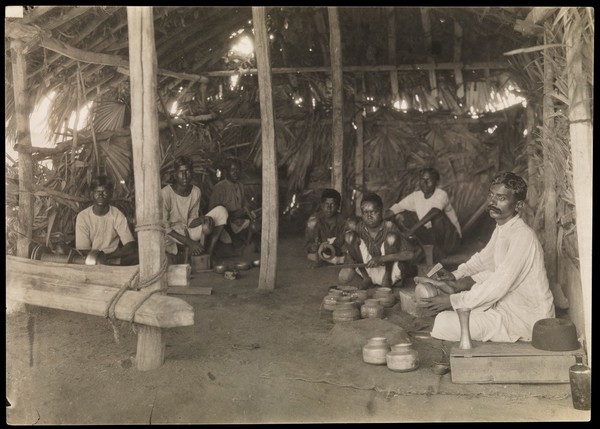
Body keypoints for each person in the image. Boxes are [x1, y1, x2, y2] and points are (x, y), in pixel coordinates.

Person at [418, 172, 555, 343]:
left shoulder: (523, 236)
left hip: (528, 320)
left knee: (444, 322)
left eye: (501, 198)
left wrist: (454, 300)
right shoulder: (502, 229)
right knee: (455, 313)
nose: (492, 202)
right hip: (504, 307)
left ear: (518, 205)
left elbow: (498, 284)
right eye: (491, 195)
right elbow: (483, 260)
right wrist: (455, 275)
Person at [339, 192, 420, 289]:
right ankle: (366, 279)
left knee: (391, 237)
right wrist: (349, 264)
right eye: (365, 212)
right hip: (367, 269)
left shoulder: (389, 226)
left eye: (373, 212)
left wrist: (381, 259)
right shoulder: (359, 227)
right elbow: (349, 252)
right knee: (349, 237)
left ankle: (387, 279)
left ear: (381, 212)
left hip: (390, 271)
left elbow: (410, 254)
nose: (369, 216)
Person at [384, 167, 462, 261]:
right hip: (431, 238)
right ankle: (428, 250)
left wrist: (412, 230)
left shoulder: (441, 194)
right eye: (422, 180)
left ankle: (439, 252)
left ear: (436, 182)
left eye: (428, 180)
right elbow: (397, 208)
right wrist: (379, 218)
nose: (424, 183)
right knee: (401, 216)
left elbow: (435, 211)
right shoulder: (416, 196)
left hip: (450, 240)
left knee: (437, 218)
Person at [162, 156, 228, 264]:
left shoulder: (196, 191)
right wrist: (189, 242)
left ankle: (208, 254)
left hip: (188, 230)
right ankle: (188, 250)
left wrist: (202, 219)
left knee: (221, 211)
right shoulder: (165, 193)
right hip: (172, 235)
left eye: (187, 171)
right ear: (175, 174)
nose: (184, 176)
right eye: (181, 172)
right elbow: (165, 227)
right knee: (161, 239)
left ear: (192, 173)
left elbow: (191, 220)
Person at [75, 175, 138, 265]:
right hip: (90, 259)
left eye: (104, 192)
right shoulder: (83, 216)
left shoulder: (116, 214)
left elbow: (130, 245)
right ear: (91, 194)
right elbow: (83, 250)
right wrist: (98, 258)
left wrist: (106, 257)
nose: (100, 195)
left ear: (111, 194)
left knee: (138, 256)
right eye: (97, 192)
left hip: (112, 257)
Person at [208, 157, 260, 254]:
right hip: (224, 226)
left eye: (238, 170)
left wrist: (246, 213)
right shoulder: (219, 187)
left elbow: (245, 205)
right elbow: (213, 214)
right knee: (229, 240)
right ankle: (239, 244)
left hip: (238, 222)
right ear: (226, 171)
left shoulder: (240, 186)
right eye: (232, 170)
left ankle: (244, 244)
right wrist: (233, 216)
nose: (236, 173)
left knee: (255, 219)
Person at [304, 188, 347, 266]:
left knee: (346, 254)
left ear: (338, 206)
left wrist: (334, 247)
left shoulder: (343, 221)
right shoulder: (314, 221)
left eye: (332, 204)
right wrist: (315, 246)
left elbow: (344, 246)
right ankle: (332, 260)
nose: (329, 208)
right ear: (321, 205)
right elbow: (308, 247)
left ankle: (329, 259)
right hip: (321, 252)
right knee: (311, 255)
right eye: (326, 204)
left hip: (336, 252)